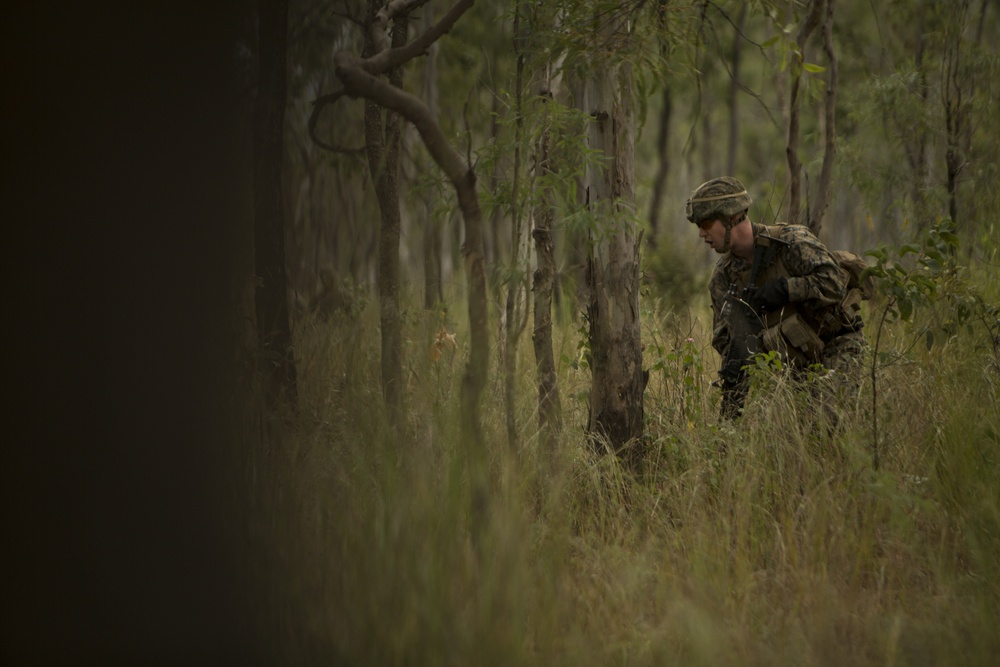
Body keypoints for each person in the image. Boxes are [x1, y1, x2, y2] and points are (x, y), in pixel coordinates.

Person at [685, 176, 866, 419]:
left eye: (706, 223)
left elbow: (835, 283)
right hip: (790, 365)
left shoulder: (789, 242)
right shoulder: (723, 278)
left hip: (837, 344)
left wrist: (786, 289)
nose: (701, 234)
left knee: (827, 419)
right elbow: (723, 339)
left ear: (732, 218)